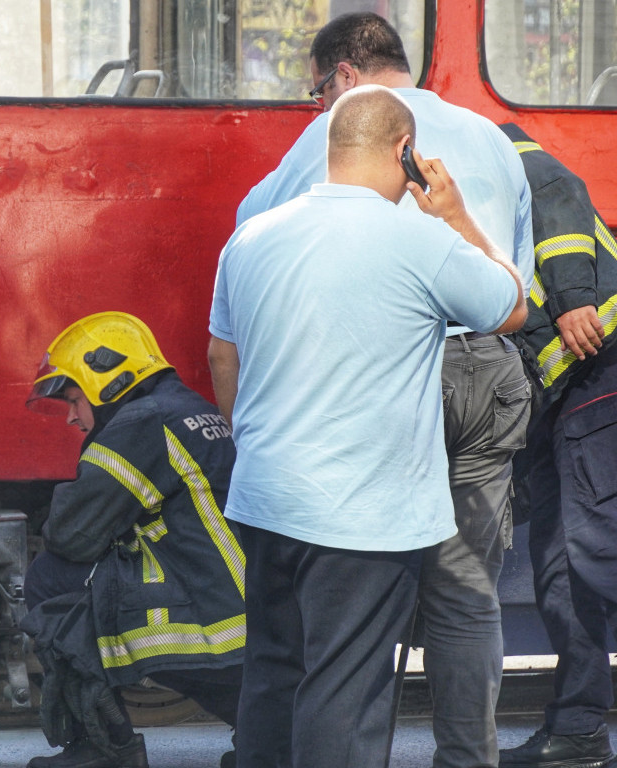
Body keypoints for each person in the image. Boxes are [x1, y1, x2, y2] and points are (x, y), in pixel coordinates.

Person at [235, 13, 535, 768]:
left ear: (341, 79)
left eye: (315, 93)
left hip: (374, 376)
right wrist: (460, 221)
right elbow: (510, 290)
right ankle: (468, 758)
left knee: (315, 635)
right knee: (466, 596)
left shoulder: (334, 134)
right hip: (480, 365)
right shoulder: (492, 136)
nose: (315, 108)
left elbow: (262, 241)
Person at [21, 311, 245, 768]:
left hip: (215, 628)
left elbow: (71, 535)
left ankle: (103, 750)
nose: (70, 418)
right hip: (253, 622)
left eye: (73, 399)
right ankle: (264, 736)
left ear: (107, 381)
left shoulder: (139, 424)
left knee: (52, 577)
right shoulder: (189, 408)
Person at [495, 123, 617, 768]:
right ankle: (578, 730)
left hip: (596, 359)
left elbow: (557, 189)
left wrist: (573, 300)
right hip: (561, 386)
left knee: (587, 553)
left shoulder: (479, 137)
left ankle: (579, 728)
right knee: (564, 565)